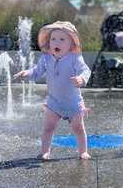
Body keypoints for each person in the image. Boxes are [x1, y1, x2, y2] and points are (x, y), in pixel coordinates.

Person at [14, 21, 91, 160]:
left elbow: (86, 70)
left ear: (71, 44)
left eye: (62, 39)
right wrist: (27, 73)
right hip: (54, 102)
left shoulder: (75, 58)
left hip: (73, 103)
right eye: (53, 39)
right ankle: (45, 151)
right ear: (48, 42)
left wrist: (81, 78)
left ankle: (83, 151)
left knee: (78, 129)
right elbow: (37, 72)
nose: (57, 42)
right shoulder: (46, 58)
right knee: (48, 128)